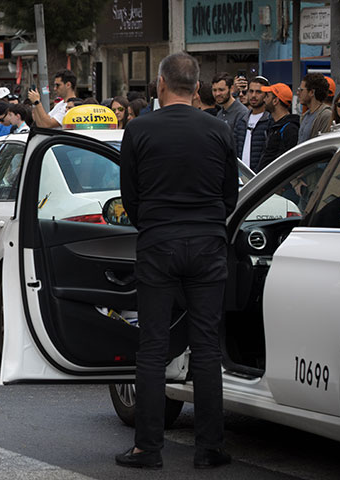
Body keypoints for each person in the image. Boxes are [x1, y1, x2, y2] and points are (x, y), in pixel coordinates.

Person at [118, 52, 237, 470]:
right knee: (206, 348)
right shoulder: (220, 130)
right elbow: (229, 196)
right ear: (198, 87)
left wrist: (153, 224)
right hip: (207, 245)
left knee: (152, 348)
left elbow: (129, 197)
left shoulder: (138, 129)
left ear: (161, 84)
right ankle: (209, 448)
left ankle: (147, 449)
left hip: (158, 244)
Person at [258, 83, 299, 172]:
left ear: (275, 101)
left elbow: (287, 162)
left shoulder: (290, 129)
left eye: (267, 96)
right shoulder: (274, 126)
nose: (264, 99)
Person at [234, 76, 271, 171]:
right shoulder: (242, 120)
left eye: (258, 92)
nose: (253, 95)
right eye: (251, 91)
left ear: (266, 95)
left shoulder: (270, 121)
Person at [297, 73, 331, 144]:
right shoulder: (304, 116)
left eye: (301, 90)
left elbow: (324, 145)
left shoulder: (326, 115)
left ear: (312, 92)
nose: (298, 93)